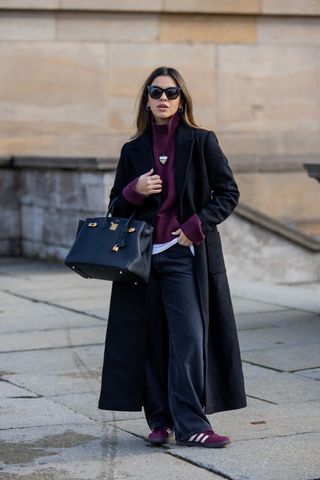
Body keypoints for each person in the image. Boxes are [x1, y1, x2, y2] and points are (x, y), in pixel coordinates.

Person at [99, 66, 246, 448]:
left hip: (184, 257)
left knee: (189, 339)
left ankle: (192, 423)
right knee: (150, 341)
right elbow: (115, 208)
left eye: (171, 92)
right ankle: (160, 422)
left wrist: (196, 224)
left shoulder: (201, 141)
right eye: (156, 92)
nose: (163, 98)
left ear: (182, 100)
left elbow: (228, 193)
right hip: (142, 261)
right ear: (146, 100)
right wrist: (135, 189)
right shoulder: (132, 150)